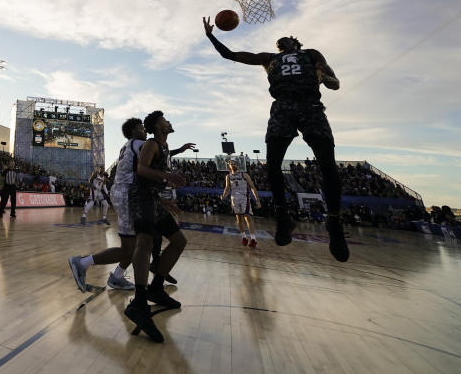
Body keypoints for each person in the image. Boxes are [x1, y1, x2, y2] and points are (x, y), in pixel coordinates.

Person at [203, 17, 349, 261]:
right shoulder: (268, 58)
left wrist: (325, 78)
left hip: (311, 106)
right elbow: (229, 55)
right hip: (282, 107)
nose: (283, 39)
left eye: (288, 37)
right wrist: (210, 36)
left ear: (296, 42)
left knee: (328, 165)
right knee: (271, 165)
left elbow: (335, 83)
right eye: (280, 40)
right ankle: (283, 217)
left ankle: (334, 223)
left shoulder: (312, 54)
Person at [124, 111, 191, 342]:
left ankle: (156, 287)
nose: (169, 121)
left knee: (179, 241)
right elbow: (141, 170)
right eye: (165, 120)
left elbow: (152, 178)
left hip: (153, 198)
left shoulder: (164, 146)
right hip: (140, 197)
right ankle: (139, 303)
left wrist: (163, 200)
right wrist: (167, 176)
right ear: (158, 126)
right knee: (144, 242)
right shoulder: (151, 143)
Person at [68, 118, 144, 293]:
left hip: (121, 193)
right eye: (141, 127)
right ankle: (81, 262)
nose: (144, 130)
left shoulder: (127, 146)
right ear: (133, 131)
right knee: (130, 248)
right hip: (126, 195)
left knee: (135, 245)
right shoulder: (140, 143)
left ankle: (117, 276)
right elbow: (157, 154)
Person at [220, 157, 260, 247]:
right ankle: (244, 237)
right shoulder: (228, 176)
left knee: (248, 218)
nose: (233, 165)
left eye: (234, 164)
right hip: (234, 199)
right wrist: (223, 195)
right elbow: (227, 188)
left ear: (237, 165)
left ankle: (253, 239)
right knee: (239, 219)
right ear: (229, 166)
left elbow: (252, 187)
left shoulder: (244, 175)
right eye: (231, 164)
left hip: (244, 198)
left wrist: (257, 200)